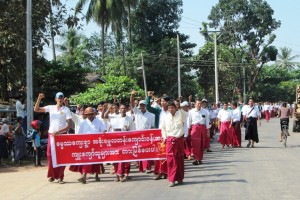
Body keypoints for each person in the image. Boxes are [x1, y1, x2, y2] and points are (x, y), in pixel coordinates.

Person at [34, 92, 72, 184]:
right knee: (50, 156)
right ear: (55, 99)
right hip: (52, 136)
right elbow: (36, 109)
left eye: (61, 98)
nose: (60, 99)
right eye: (58, 98)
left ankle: (60, 177)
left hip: (62, 135)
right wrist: (39, 98)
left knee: (61, 157)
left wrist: (58, 132)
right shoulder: (51, 108)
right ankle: (52, 175)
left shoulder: (66, 109)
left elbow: (69, 124)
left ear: (63, 99)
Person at [76, 107, 106, 184]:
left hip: (96, 143)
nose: (90, 116)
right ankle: (84, 175)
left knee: (96, 160)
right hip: (87, 144)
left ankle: (96, 175)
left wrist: (103, 132)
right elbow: (80, 134)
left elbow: (103, 131)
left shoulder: (99, 121)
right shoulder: (83, 123)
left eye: (91, 114)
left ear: (94, 114)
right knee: (87, 160)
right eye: (88, 114)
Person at [145, 91, 169, 180]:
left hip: (169, 134)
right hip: (159, 134)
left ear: (168, 102)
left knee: (167, 154)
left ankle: (166, 172)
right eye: (161, 101)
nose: (162, 103)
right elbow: (148, 107)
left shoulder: (172, 111)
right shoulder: (159, 111)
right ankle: (159, 172)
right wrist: (148, 97)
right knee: (159, 154)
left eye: (164, 101)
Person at [161, 101, 185, 187]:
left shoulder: (180, 115)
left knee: (179, 159)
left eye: (172, 107)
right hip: (170, 140)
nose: (171, 109)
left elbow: (185, 116)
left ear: (175, 108)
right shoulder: (165, 117)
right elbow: (163, 129)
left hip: (179, 139)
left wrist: (180, 106)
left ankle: (179, 178)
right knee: (171, 160)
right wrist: (164, 137)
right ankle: (172, 179)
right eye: (169, 107)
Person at [130, 90, 155, 173]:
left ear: (146, 105)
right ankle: (142, 168)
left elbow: (152, 127)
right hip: (138, 135)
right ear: (139, 106)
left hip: (147, 135)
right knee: (140, 152)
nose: (142, 106)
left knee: (146, 152)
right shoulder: (137, 112)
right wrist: (132, 95)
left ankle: (147, 168)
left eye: (144, 105)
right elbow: (132, 104)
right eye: (141, 105)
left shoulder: (151, 115)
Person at [112, 103, 135, 182]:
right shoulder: (115, 118)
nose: (123, 110)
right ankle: (117, 175)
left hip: (125, 141)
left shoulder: (129, 119)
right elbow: (112, 129)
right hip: (116, 141)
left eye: (124, 108)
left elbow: (133, 131)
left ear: (126, 109)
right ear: (119, 109)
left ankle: (121, 174)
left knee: (123, 159)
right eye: (121, 108)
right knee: (115, 159)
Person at [187, 99, 210, 165]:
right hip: (195, 128)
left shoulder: (205, 111)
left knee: (201, 144)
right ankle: (195, 159)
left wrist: (208, 131)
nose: (199, 105)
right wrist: (188, 131)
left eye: (200, 104)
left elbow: (207, 122)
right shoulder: (191, 111)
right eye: (198, 104)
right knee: (195, 144)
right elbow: (189, 122)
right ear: (195, 104)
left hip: (202, 128)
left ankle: (199, 158)